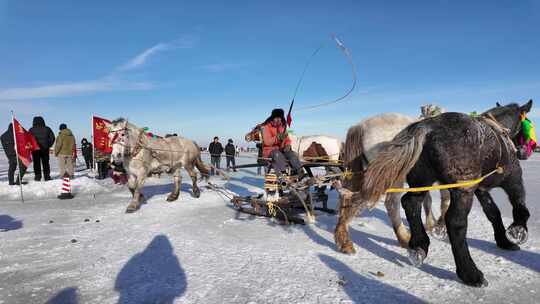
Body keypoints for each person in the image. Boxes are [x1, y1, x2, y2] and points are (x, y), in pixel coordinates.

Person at [261, 108, 306, 180]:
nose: (278, 119)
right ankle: (283, 173)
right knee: (277, 154)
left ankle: (300, 172)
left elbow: (287, 139)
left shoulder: (282, 127)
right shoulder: (266, 127)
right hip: (269, 150)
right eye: (276, 118)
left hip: (281, 149)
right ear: (273, 118)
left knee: (292, 154)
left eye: (280, 118)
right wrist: (277, 137)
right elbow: (267, 142)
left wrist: (287, 145)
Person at [29, 116, 55, 181]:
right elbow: (52, 138)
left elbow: (28, 139)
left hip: (35, 150)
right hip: (45, 149)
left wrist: (32, 146)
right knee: (46, 163)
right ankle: (47, 177)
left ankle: (37, 177)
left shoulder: (31, 130)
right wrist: (48, 145)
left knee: (36, 163)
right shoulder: (47, 129)